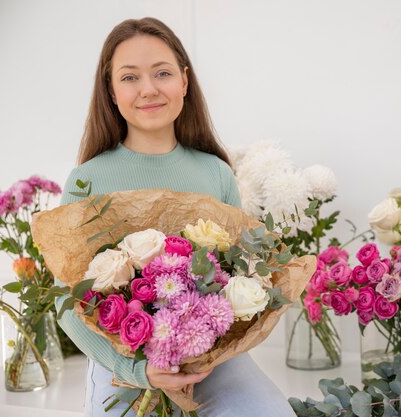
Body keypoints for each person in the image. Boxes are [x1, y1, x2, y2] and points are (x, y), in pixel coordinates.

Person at [55, 17, 296, 417]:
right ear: (111, 92)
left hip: (211, 360)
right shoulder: (88, 180)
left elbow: (243, 273)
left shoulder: (216, 172)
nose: (148, 89)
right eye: (130, 77)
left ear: (184, 81)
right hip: (124, 363)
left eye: (162, 73)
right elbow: (68, 299)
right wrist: (135, 369)